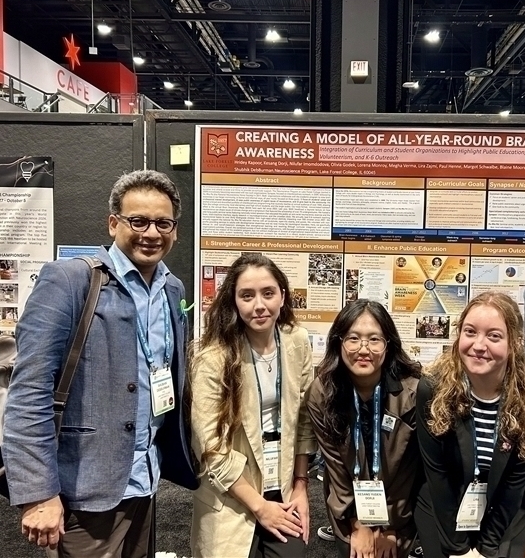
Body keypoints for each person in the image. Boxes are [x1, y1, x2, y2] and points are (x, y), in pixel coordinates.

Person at [2, 170, 197, 556]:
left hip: (145, 477)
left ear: (174, 230)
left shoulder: (172, 289)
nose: (151, 233)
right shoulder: (71, 281)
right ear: (114, 223)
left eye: (163, 223)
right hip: (83, 486)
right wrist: (38, 494)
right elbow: (29, 392)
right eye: (138, 221)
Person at [189, 252, 316, 558]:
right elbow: (209, 447)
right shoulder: (212, 358)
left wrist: (301, 487)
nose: (259, 305)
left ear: (282, 297)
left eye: (268, 293)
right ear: (234, 301)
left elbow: (304, 421)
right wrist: (260, 508)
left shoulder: (297, 341)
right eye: (247, 295)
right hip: (232, 494)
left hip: (283, 489)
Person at [415, 292, 525, 558]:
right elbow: (436, 473)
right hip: (444, 508)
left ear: (514, 343)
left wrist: (486, 550)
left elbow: (516, 481)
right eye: (470, 332)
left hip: (504, 513)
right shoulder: (432, 389)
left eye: (494, 336)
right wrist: (460, 549)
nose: (479, 345)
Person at [306, 300, 423, 558]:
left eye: (374, 340)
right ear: (339, 342)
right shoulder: (322, 393)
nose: (363, 349)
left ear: (388, 345)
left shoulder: (413, 393)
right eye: (353, 338)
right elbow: (335, 468)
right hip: (348, 507)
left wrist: (390, 526)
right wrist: (358, 524)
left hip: (399, 510)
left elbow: (409, 470)